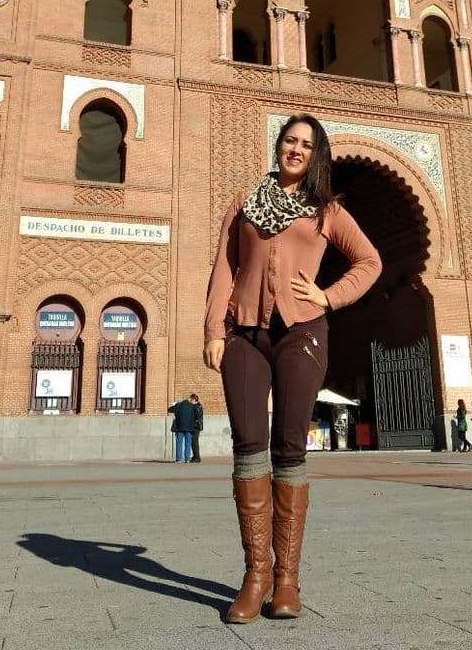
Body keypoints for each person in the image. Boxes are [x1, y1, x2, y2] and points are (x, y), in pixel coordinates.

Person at [204, 114, 381, 623]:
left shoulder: (327, 210)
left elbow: (369, 263)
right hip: (244, 334)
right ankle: (255, 575)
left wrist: (327, 296)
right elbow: (224, 267)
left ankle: (286, 581)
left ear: (316, 154)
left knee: (289, 445)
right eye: (289, 140)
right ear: (277, 146)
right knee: (248, 444)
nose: (296, 150)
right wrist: (214, 329)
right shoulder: (244, 202)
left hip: (302, 332)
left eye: (306, 144)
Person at [168, 396, 196, 463]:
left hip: (179, 427)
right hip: (189, 428)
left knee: (179, 443)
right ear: (188, 400)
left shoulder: (178, 405)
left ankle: (179, 459)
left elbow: (169, 409)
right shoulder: (192, 406)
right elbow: (195, 416)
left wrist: (175, 404)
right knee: (188, 443)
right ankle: (187, 459)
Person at [190, 393, 203, 463]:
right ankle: (195, 456)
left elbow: (197, 417)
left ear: (194, 399)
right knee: (194, 442)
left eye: (191, 399)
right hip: (197, 426)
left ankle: (197, 457)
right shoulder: (198, 406)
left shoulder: (196, 407)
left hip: (196, 427)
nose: (190, 401)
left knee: (194, 442)